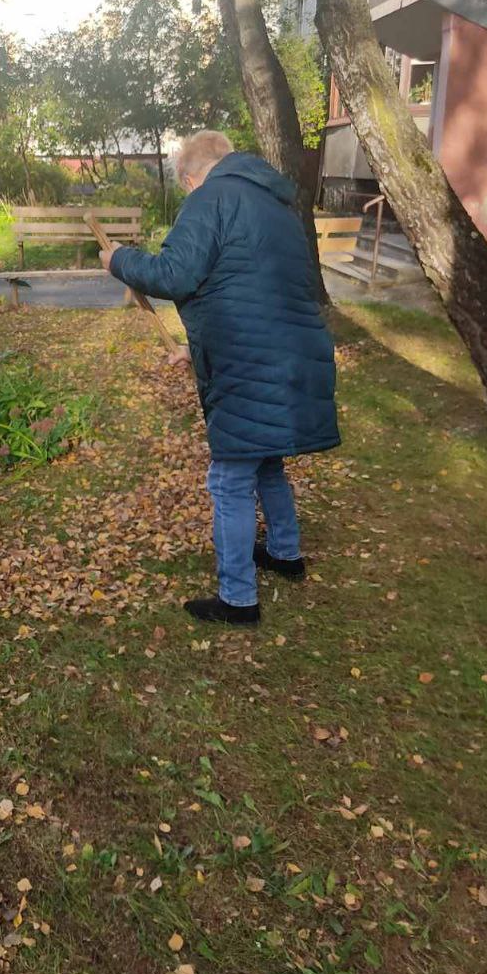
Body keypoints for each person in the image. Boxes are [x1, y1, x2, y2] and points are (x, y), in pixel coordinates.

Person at [99, 130, 340, 626]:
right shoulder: (278, 206)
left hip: (251, 366)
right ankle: (285, 553)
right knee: (266, 460)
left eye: (187, 185)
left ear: (190, 177)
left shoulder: (210, 198)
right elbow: (250, 291)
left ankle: (238, 598)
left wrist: (118, 260)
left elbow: (174, 275)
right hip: (286, 354)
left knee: (230, 477)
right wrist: (197, 348)